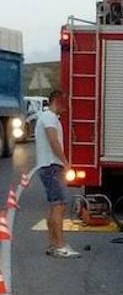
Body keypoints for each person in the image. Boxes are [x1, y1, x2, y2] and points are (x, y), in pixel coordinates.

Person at [35, 89, 81, 258]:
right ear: (57, 101)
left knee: (54, 206)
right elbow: (53, 140)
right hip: (52, 166)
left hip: (48, 166)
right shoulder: (49, 118)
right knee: (59, 206)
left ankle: (53, 244)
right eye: (65, 101)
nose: (67, 105)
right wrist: (66, 162)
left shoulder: (49, 118)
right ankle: (60, 246)